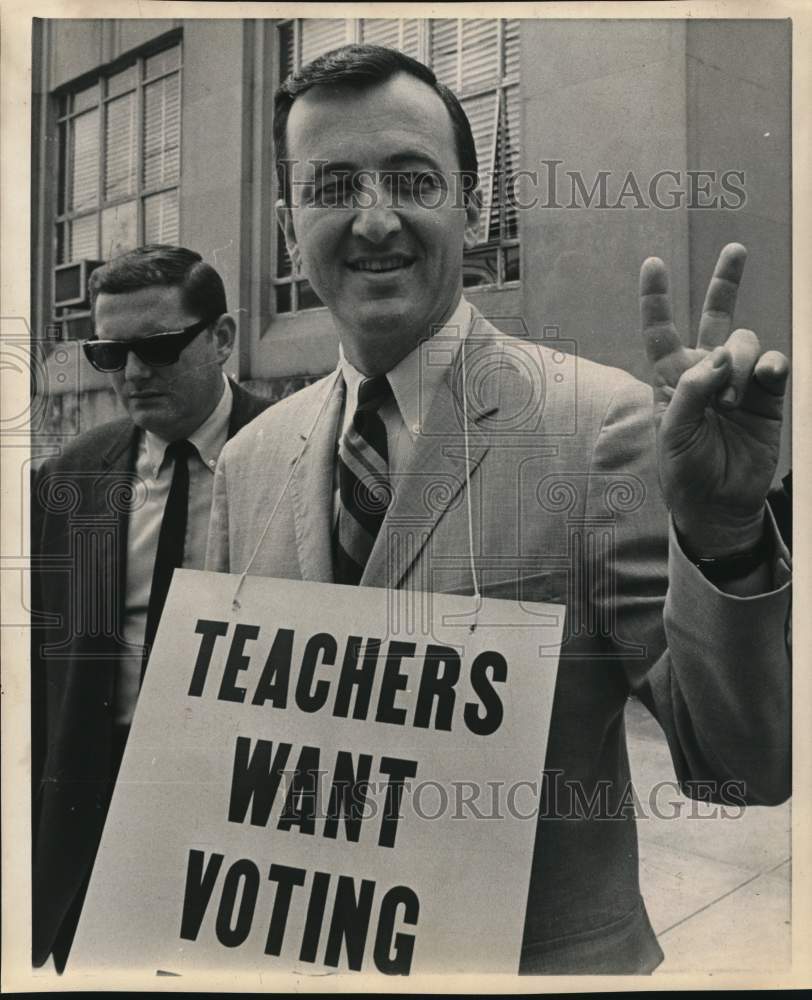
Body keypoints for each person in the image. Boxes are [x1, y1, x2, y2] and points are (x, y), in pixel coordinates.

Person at [206, 45, 792, 974]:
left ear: (473, 207)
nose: (373, 218)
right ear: (288, 229)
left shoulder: (601, 427)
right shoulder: (246, 463)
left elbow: (743, 767)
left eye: (411, 178)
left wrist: (721, 537)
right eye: (331, 186)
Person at [30, 244, 270, 971]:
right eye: (110, 352)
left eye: (159, 348)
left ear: (222, 338)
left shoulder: (301, 454)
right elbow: (45, 670)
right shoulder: (70, 477)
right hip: (96, 800)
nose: (133, 375)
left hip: (242, 802)